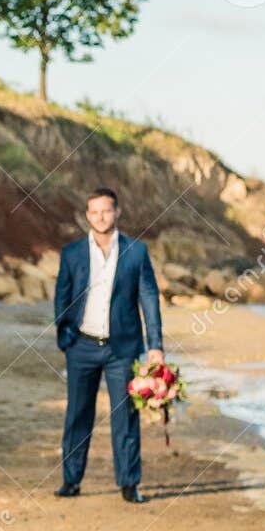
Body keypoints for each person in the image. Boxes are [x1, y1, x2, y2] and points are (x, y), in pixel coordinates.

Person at [53, 187, 164, 504]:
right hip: (81, 346)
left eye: (106, 210)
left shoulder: (137, 252)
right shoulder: (72, 253)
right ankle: (71, 481)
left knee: (125, 416)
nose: (101, 217)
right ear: (87, 215)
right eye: (94, 211)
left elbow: (149, 298)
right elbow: (62, 297)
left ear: (117, 213)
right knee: (77, 414)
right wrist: (65, 337)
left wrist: (154, 345)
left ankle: (130, 484)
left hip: (122, 348)